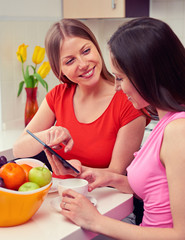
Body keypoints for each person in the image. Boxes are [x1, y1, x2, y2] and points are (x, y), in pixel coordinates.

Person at [47, 17, 185, 239]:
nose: (118, 87)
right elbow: (160, 190)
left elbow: (180, 235)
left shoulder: (179, 131)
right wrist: (111, 179)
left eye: (120, 78)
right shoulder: (167, 121)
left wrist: (95, 220)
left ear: (145, 76)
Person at [13, 19, 146, 180]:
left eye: (86, 51)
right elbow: (18, 149)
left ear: (96, 47)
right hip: (59, 197)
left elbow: (117, 172)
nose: (83, 64)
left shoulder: (129, 100)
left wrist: (77, 171)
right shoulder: (58, 95)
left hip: (105, 200)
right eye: (70, 61)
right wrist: (50, 135)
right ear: (59, 69)